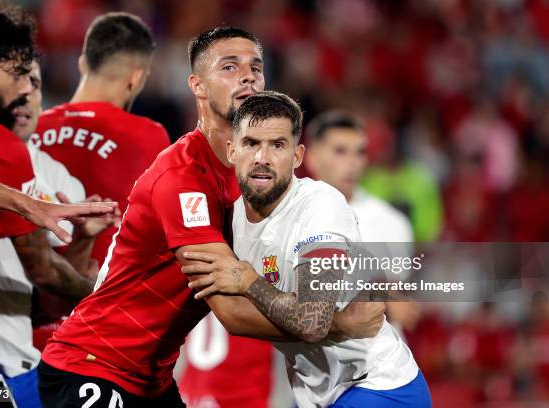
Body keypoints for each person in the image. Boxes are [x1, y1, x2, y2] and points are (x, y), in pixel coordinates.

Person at [39, 27, 382, 407]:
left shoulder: (255, 177)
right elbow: (232, 313)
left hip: (151, 378)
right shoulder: (182, 178)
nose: (248, 75)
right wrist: (337, 325)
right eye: (230, 67)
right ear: (197, 86)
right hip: (94, 365)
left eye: (256, 67)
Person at [183, 91, 431, 408]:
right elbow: (232, 317)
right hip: (315, 393)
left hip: (379, 385)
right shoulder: (229, 221)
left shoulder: (321, 207)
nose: (263, 157)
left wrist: (248, 282)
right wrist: (339, 323)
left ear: (298, 156)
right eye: (251, 143)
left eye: (277, 145)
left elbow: (311, 320)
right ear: (232, 151)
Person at [0, 0, 98, 387]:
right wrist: (99, 291)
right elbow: (42, 269)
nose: (25, 87)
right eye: (19, 74)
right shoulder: (1, 147)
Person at [0, 61, 119, 408]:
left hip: (23, 364)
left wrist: (82, 238)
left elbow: (55, 303)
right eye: (16, 81)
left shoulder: (61, 180)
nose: (24, 95)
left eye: (34, 83)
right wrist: (105, 297)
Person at [32, 12, 170, 265]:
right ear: (137, 78)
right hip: (100, 291)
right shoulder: (148, 135)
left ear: (83, 63)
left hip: (28, 285)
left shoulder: (33, 126)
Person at [305, 111, 421, 332]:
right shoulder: (291, 215)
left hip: (374, 358)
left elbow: (398, 302)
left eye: (359, 153)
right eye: (340, 151)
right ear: (311, 157)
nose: (352, 162)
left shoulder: (391, 222)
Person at [0, 151, 116, 243]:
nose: (27, 91)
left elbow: (52, 303)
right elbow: (42, 271)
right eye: (18, 77)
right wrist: (27, 205)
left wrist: (83, 238)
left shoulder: (57, 174)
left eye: (34, 83)